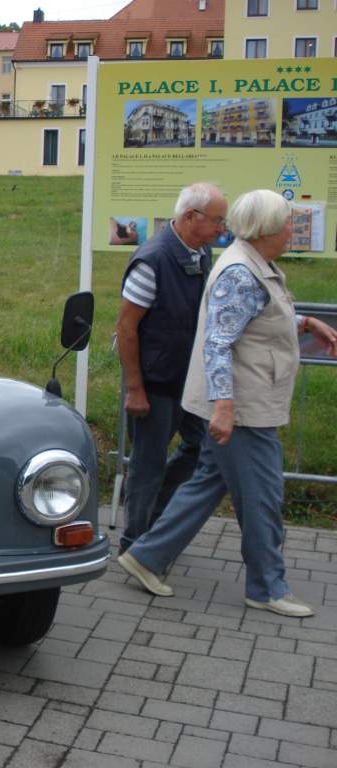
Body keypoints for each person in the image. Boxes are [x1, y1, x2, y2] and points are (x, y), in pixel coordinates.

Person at [118, 189, 337, 617]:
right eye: (289, 224)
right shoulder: (239, 270)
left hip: (244, 402)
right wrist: (223, 408)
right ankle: (266, 586)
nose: (294, 231)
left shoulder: (250, 265)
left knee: (204, 485)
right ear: (267, 230)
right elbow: (218, 343)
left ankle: (146, 556)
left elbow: (250, 317)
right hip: (243, 408)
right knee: (262, 497)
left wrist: (307, 322)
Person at [115, 182, 227, 554]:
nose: (221, 229)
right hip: (155, 383)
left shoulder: (201, 252)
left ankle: (155, 522)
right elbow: (126, 327)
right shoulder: (154, 260)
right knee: (147, 466)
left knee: (202, 446)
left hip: (188, 383)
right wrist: (135, 389)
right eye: (216, 220)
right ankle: (134, 544)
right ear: (191, 217)